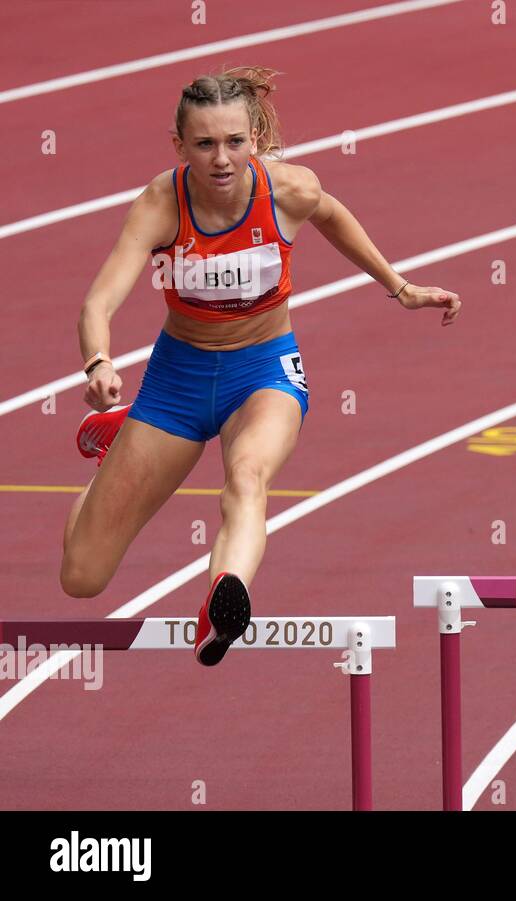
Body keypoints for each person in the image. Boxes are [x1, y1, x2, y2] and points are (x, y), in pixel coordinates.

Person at [63, 67, 461, 664]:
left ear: (255, 139)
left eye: (235, 142)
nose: (221, 159)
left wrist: (399, 287)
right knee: (83, 577)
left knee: (248, 477)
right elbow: (99, 300)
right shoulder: (160, 203)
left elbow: (333, 216)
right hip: (177, 383)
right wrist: (98, 361)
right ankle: (117, 446)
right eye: (204, 145)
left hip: (265, 373)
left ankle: (225, 602)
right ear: (180, 147)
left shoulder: (289, 190)